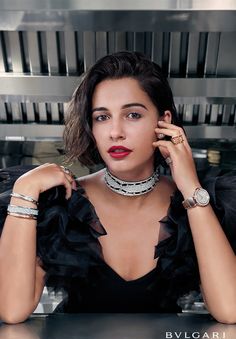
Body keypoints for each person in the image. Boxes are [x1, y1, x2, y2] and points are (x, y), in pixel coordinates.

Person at [0, 52, 235, 324]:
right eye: (102, 117)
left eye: (132, 114)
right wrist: (25, 189)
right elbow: (10, 309)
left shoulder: (200, 204)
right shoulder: (60, 203)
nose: (115, 132)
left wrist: (191, 188)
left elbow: (230, 310)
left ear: (164, 120)